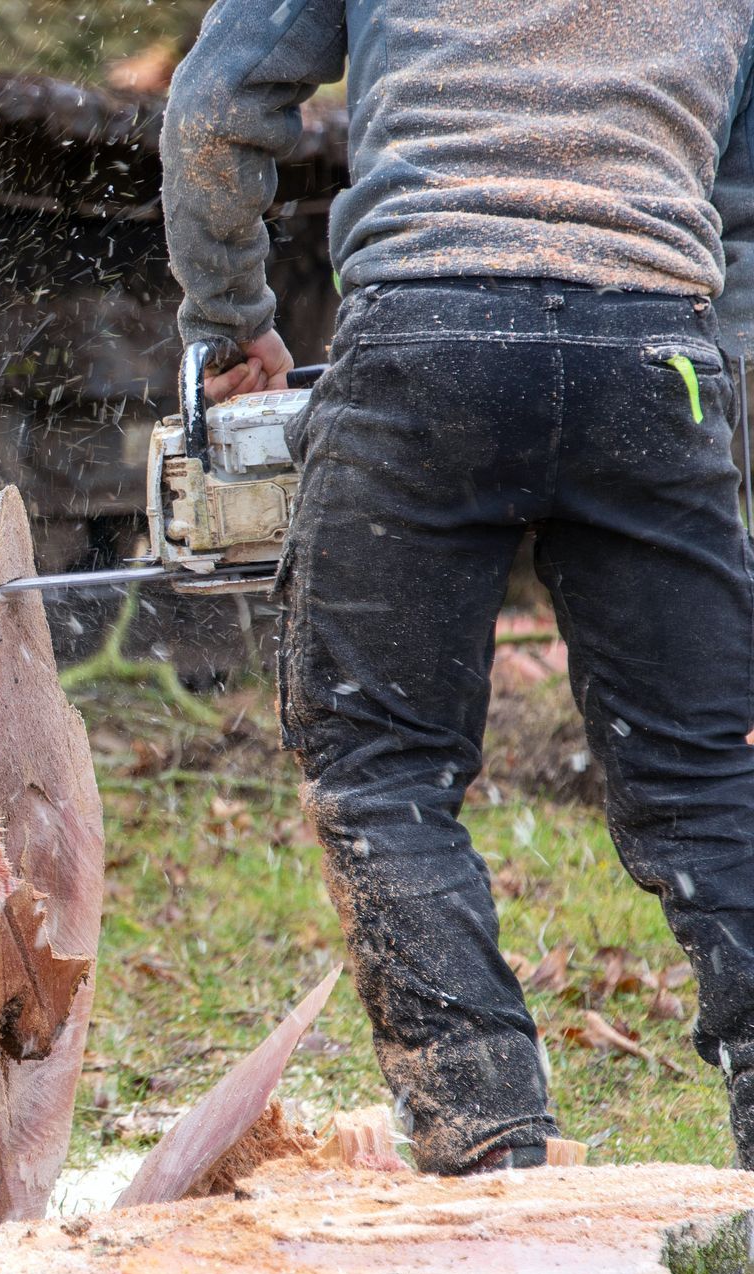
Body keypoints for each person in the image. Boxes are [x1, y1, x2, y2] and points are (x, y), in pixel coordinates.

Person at [161, 0, 754, 1174]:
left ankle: (487, 1140)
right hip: (659, 354)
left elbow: (213, 118)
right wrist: (694, 373)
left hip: (426, 333)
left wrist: (229, 326)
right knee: (710, 780)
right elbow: (740, 205)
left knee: (378, 764)